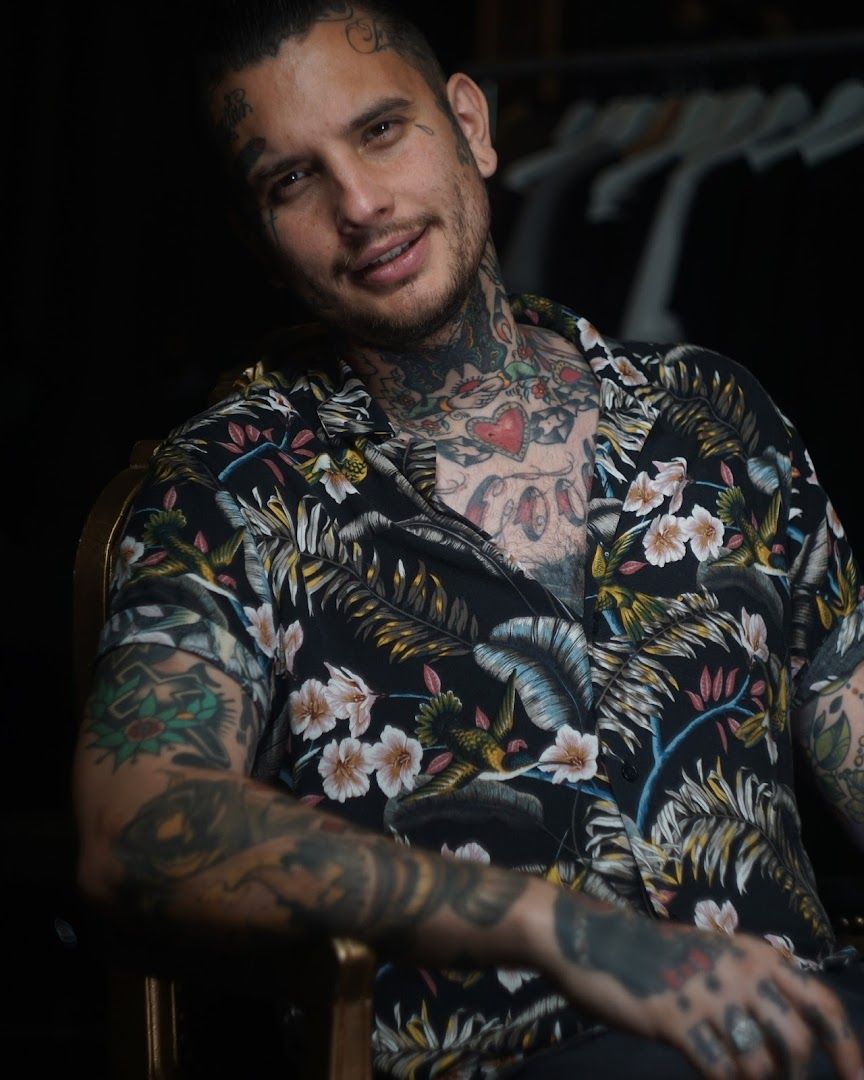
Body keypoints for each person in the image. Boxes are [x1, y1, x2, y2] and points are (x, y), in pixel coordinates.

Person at [72, 2, 864, 1076]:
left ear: (471, 127)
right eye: (291, 181)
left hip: (808, 1030)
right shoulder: (228, 488)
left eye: (381, 131)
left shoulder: (713, 414)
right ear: (258, 239)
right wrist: (571, 932)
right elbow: (138, 827)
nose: (359, 204)